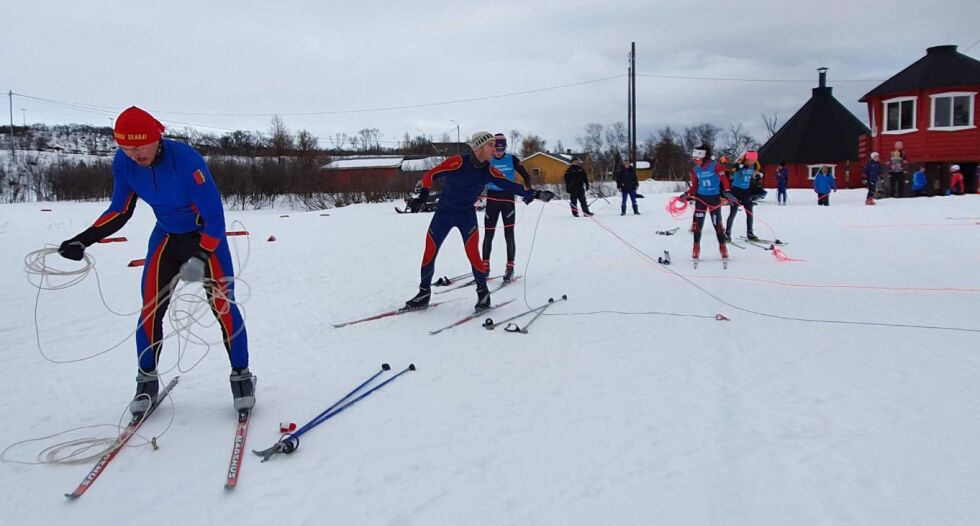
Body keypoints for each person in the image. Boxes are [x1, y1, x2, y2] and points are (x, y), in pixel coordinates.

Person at [56, 106, 253, 417]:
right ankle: (146, 381)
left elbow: (215, 217)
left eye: (138, 147)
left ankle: (241, 375)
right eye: (125, 148)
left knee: (223, 307)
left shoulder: (187, 161)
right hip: (166, 239)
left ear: (155, 138)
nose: (133, 155)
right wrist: (84, 238)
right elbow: (120, 210)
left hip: (205, 238)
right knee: (150, 310)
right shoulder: (124, 164)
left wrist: (201, 255)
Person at [404, 131, 553, 312]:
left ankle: (483, 294)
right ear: (479, 148)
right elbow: (431, 174)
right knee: (430, 251)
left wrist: (535, 194)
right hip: (443, 214)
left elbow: (510, 185)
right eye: (491, 145)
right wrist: (424, 192)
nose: (495, 148)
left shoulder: (489, 170)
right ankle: (423, 293)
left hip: (466, 216)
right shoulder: (458, 162)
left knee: (474, 255)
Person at [483, 133, 532, 282]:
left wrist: (528, 191)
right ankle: (485, 266)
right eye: (497, 149)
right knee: (488, 234)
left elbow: (526, 176)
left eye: (502, 149)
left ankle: (510, 267)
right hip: (491, 199)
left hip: (507, 199)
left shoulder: (512, 159)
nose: (499, 152)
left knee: (509, 234)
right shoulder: (487, 159)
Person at [680, 144, 729, 262]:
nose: (695, 161)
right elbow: (695, 186)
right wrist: (687, 193)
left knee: (717, 225)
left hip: (714, 199)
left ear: (704, 157)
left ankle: (723, 247)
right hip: (701, 199)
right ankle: (696, 247)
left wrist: (728, 191)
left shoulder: (716, 166)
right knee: (698, 225)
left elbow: (724, 180)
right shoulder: (695, 169)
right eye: (694, 159)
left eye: (697, 159)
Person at [725, 152, 759, 241]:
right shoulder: (739, 165)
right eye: (750, 160)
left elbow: (755, 172)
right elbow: (732, 169)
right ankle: (727, 233)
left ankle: (750, 233)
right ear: (746, 159)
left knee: (750, 213)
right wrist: (738, 167)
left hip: (746, 192)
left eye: (754, 160)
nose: (752, 162)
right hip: (736, 191)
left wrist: (756, 176)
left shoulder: (753, 166)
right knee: (733, 212)